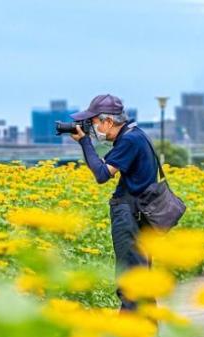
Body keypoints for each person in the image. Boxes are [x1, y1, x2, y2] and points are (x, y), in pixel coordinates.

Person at [69, 94, 161, 312]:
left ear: (108, 121)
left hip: (131, 217)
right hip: (141, 216)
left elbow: (102, 174)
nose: (92, 128)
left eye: (93, 123)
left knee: (131, 283)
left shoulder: (129, 140)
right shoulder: (136, 134)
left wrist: (84, 142)